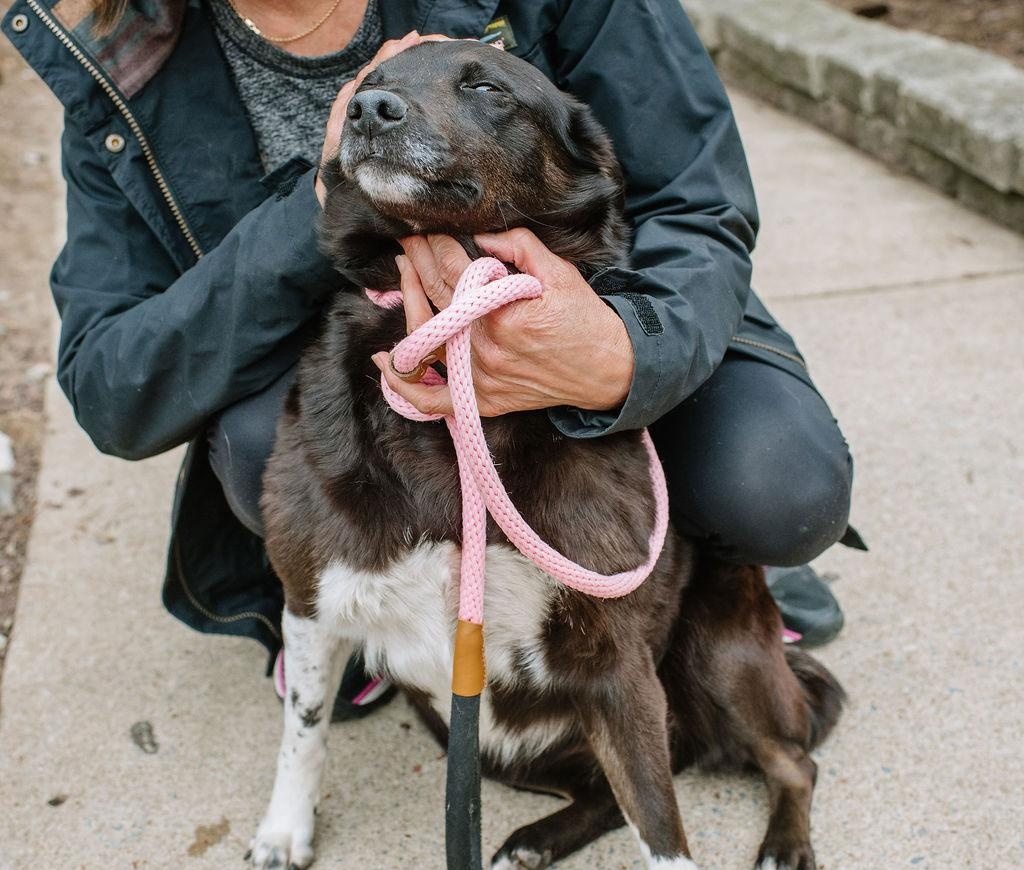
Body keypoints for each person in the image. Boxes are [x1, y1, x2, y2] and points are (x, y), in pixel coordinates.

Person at [4, 0, 858, 718]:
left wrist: (624, 350)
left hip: (601, 303)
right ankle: (389, 601)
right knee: (266, 446)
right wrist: (317, 204)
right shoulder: (122, 61)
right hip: (370, 387)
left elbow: (696, 197)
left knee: (777, 486)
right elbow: (111, 385)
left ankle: (699, 561)